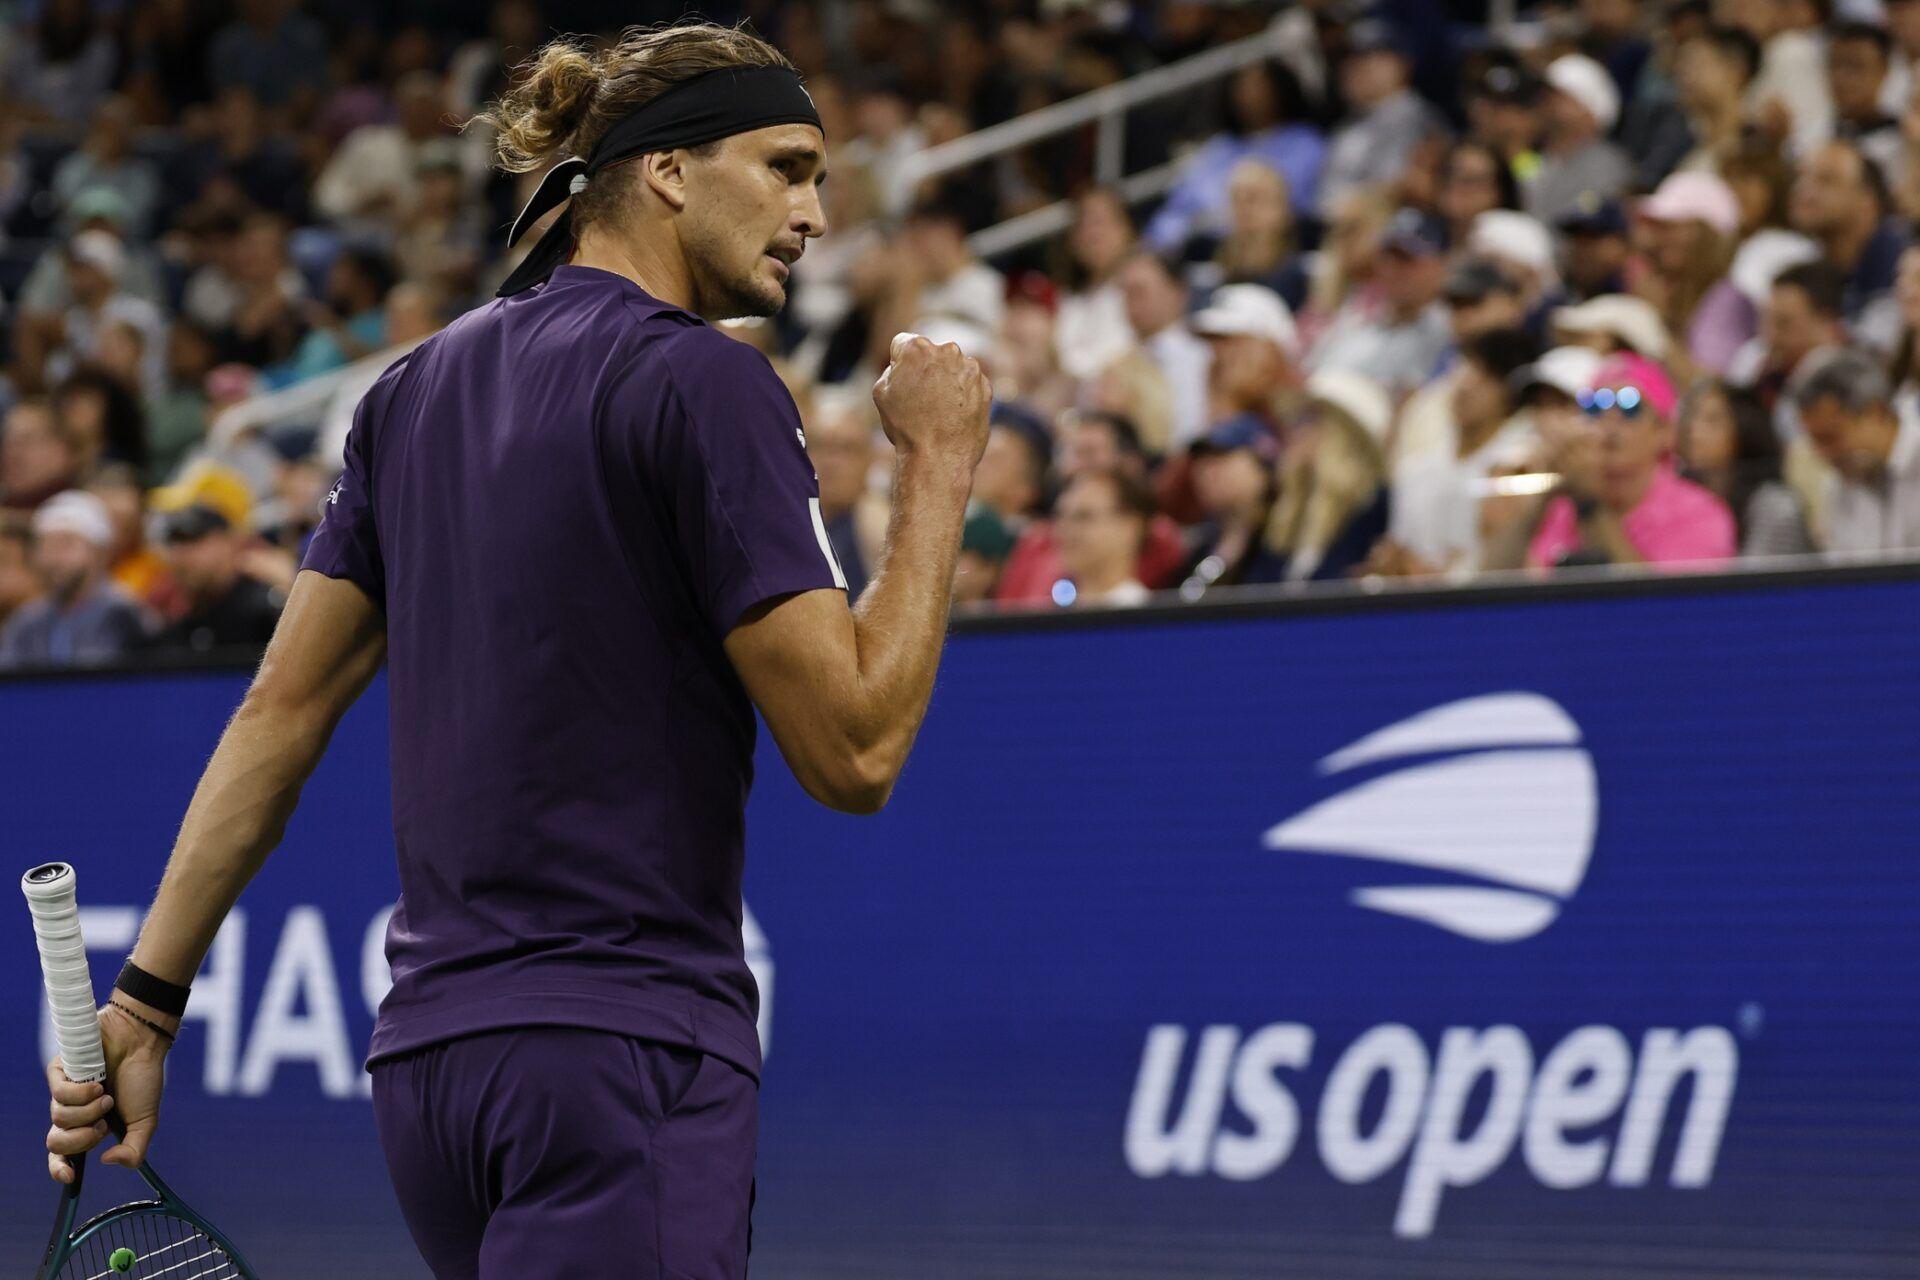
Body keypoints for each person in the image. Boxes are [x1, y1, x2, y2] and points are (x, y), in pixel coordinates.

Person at [44, 24, 993, 1280]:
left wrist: (147, 999)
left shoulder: (407, 393)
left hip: (433, 1083)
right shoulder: (707, 384)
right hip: (620, 1059)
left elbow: (280, 710)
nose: (814, 213)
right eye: (786, 167)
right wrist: (938, 465)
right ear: (667, 170)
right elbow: (855, 748)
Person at [1493, 353, 1737, 570]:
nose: (1610, 423)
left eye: (1630, 409)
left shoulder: (1698, 513)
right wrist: (1540, 501)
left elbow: (1655, 601)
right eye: (1594, 407)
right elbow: (1491, 583)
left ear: (1664, 431)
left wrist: (1591, 505)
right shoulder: (1562, 508)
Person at [1379, 327, 1542, 575]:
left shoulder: (1520, 465)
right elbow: (1400, 551)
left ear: (1510, 394)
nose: (1466, 385)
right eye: (1464, 368)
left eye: (1485, 376)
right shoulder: (1414, 470)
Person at [1309, 208, 1454, 400]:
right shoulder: (1355, 322)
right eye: (1387, 257)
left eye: (1407, 260)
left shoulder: (1448, 331)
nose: (1392, 269)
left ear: (1440, 266)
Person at [1264, 369, 1394, 581]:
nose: (1296, 430)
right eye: (1297, 419)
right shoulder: (1291, 505)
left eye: (1309, 418)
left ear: (1343, 432)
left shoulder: (1371, 502)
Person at [0, 490, 148, 668]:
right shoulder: (26, 623)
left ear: (99, 552)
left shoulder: (124, 615)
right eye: (46, 546)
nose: (55, 558)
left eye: (67, 544)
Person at [1795, 348, 1920, 553]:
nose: (1824, 454)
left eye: (1830, 438)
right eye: (1816, 442)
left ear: (1875, 413)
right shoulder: (1838, 484)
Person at [1318, 21, 1445, 219]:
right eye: (1349, 58)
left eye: (1371, 56)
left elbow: (1398, 187)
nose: (1355, 67)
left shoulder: (1419, 119)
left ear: (1403, 63)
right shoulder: (1346, 125)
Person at [1674, 379, 1814, 555]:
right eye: (1692, 418)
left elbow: (1757, 571)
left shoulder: (1775, 507)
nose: (1694, 432)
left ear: (1744, 427)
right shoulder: (1679, 495)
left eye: (1712, 421)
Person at [143, 503, 284, 654]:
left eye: (193, 540)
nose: (181, 554)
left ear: (228, 541)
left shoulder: (265, 611)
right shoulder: (173, 620)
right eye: (174, 543)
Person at [1115, 249, 1212, 448]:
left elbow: (1193, 431)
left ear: (1178, 293)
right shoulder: (1115, 362)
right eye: (1125, 293)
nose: (1129, 302)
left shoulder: (1204, 356)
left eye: (1139, 291)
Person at [1528, 54, 1632, 222]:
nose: (1547, 103)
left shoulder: (1608, 165)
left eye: (1561, 97)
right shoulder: (1534, 158)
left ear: (1588, 108)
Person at [1051, 467, 1156, 607]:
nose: (1065, 529)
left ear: (1130, 527)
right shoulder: (1051, 611)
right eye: (1061, 517)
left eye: (1083, 516)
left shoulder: (1148, 616)